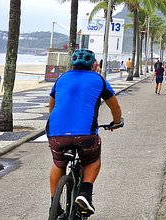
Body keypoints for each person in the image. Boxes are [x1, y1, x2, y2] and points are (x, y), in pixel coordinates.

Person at [47, 49, 123, 216]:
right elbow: (114, 107)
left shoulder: (61, 79)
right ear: (93, 65)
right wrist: (117, 122)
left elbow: (52, 106)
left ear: (72, 64)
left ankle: (54, 205)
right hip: (85, 135)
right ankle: (84, 195)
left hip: (56, 134)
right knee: (93, 161)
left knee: (58, 164)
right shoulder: (98, 80)